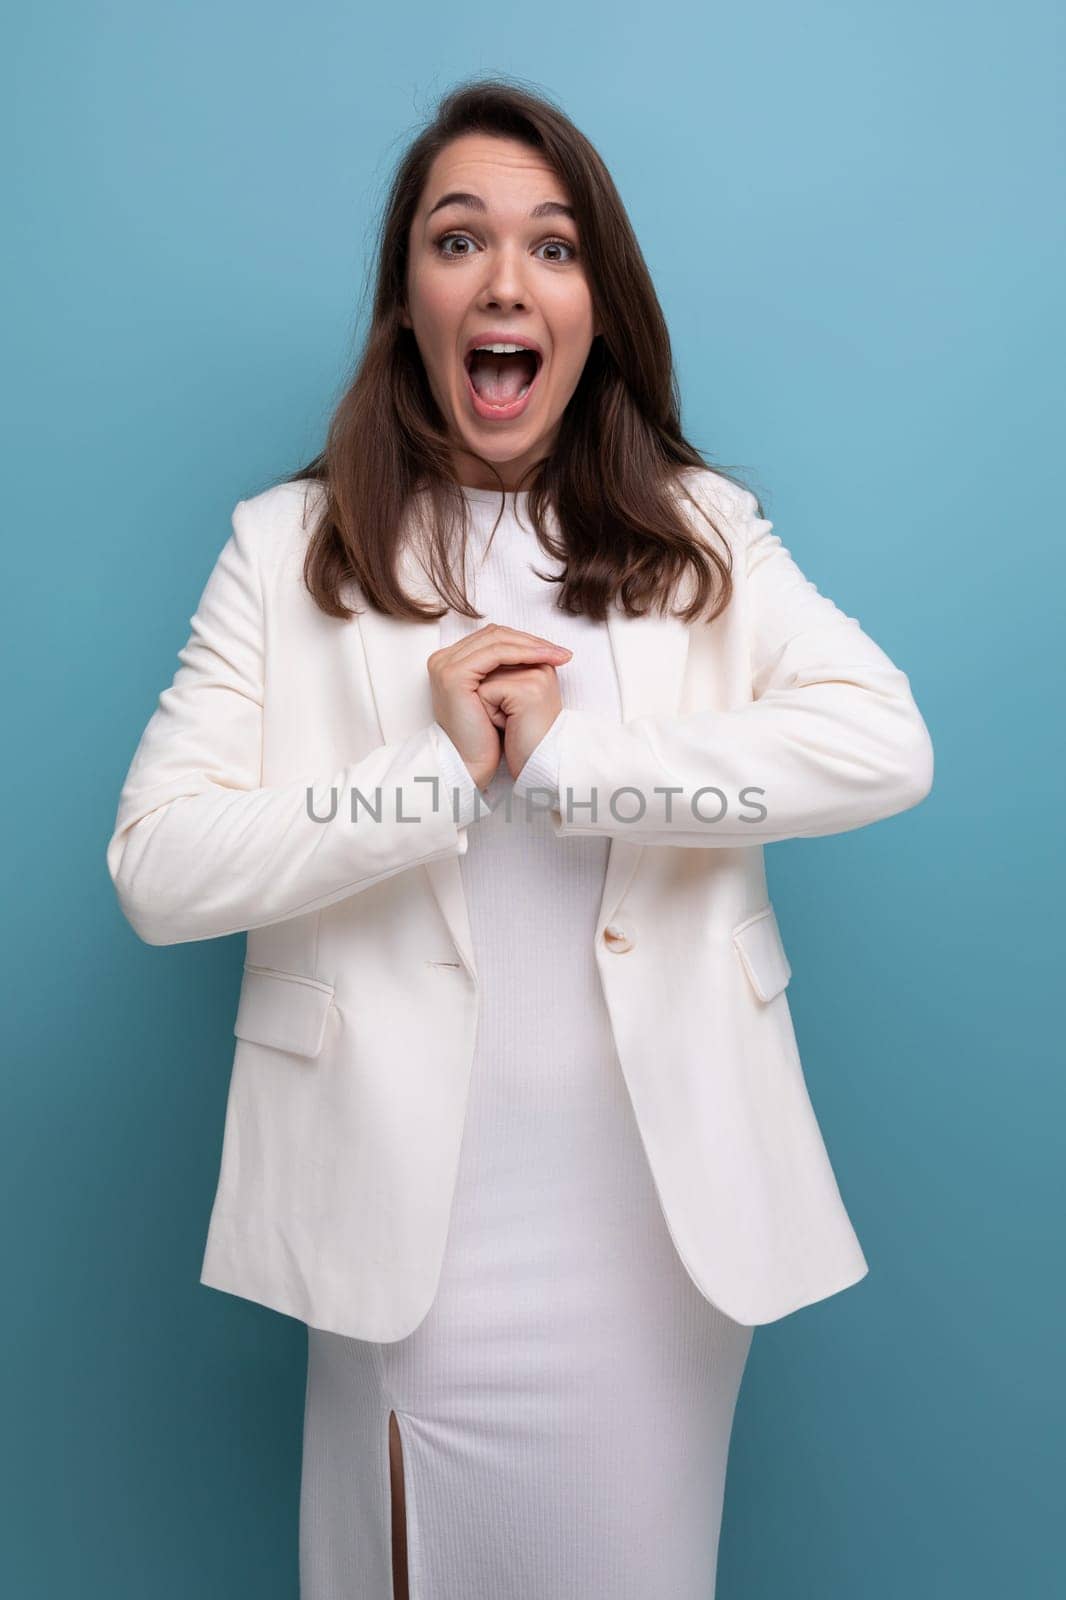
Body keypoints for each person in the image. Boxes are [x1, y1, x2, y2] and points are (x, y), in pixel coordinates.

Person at [106, 78, 934, 1600]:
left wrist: (576, 763)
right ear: (405, 300)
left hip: (650, 1243)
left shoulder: (700, 533)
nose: (504, 280)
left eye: (552, 249)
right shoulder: (284, 550)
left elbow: (885, 745)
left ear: (595, 307)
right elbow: (158, 867)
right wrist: (429, 776)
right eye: (457, 238)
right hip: (400, 1241)